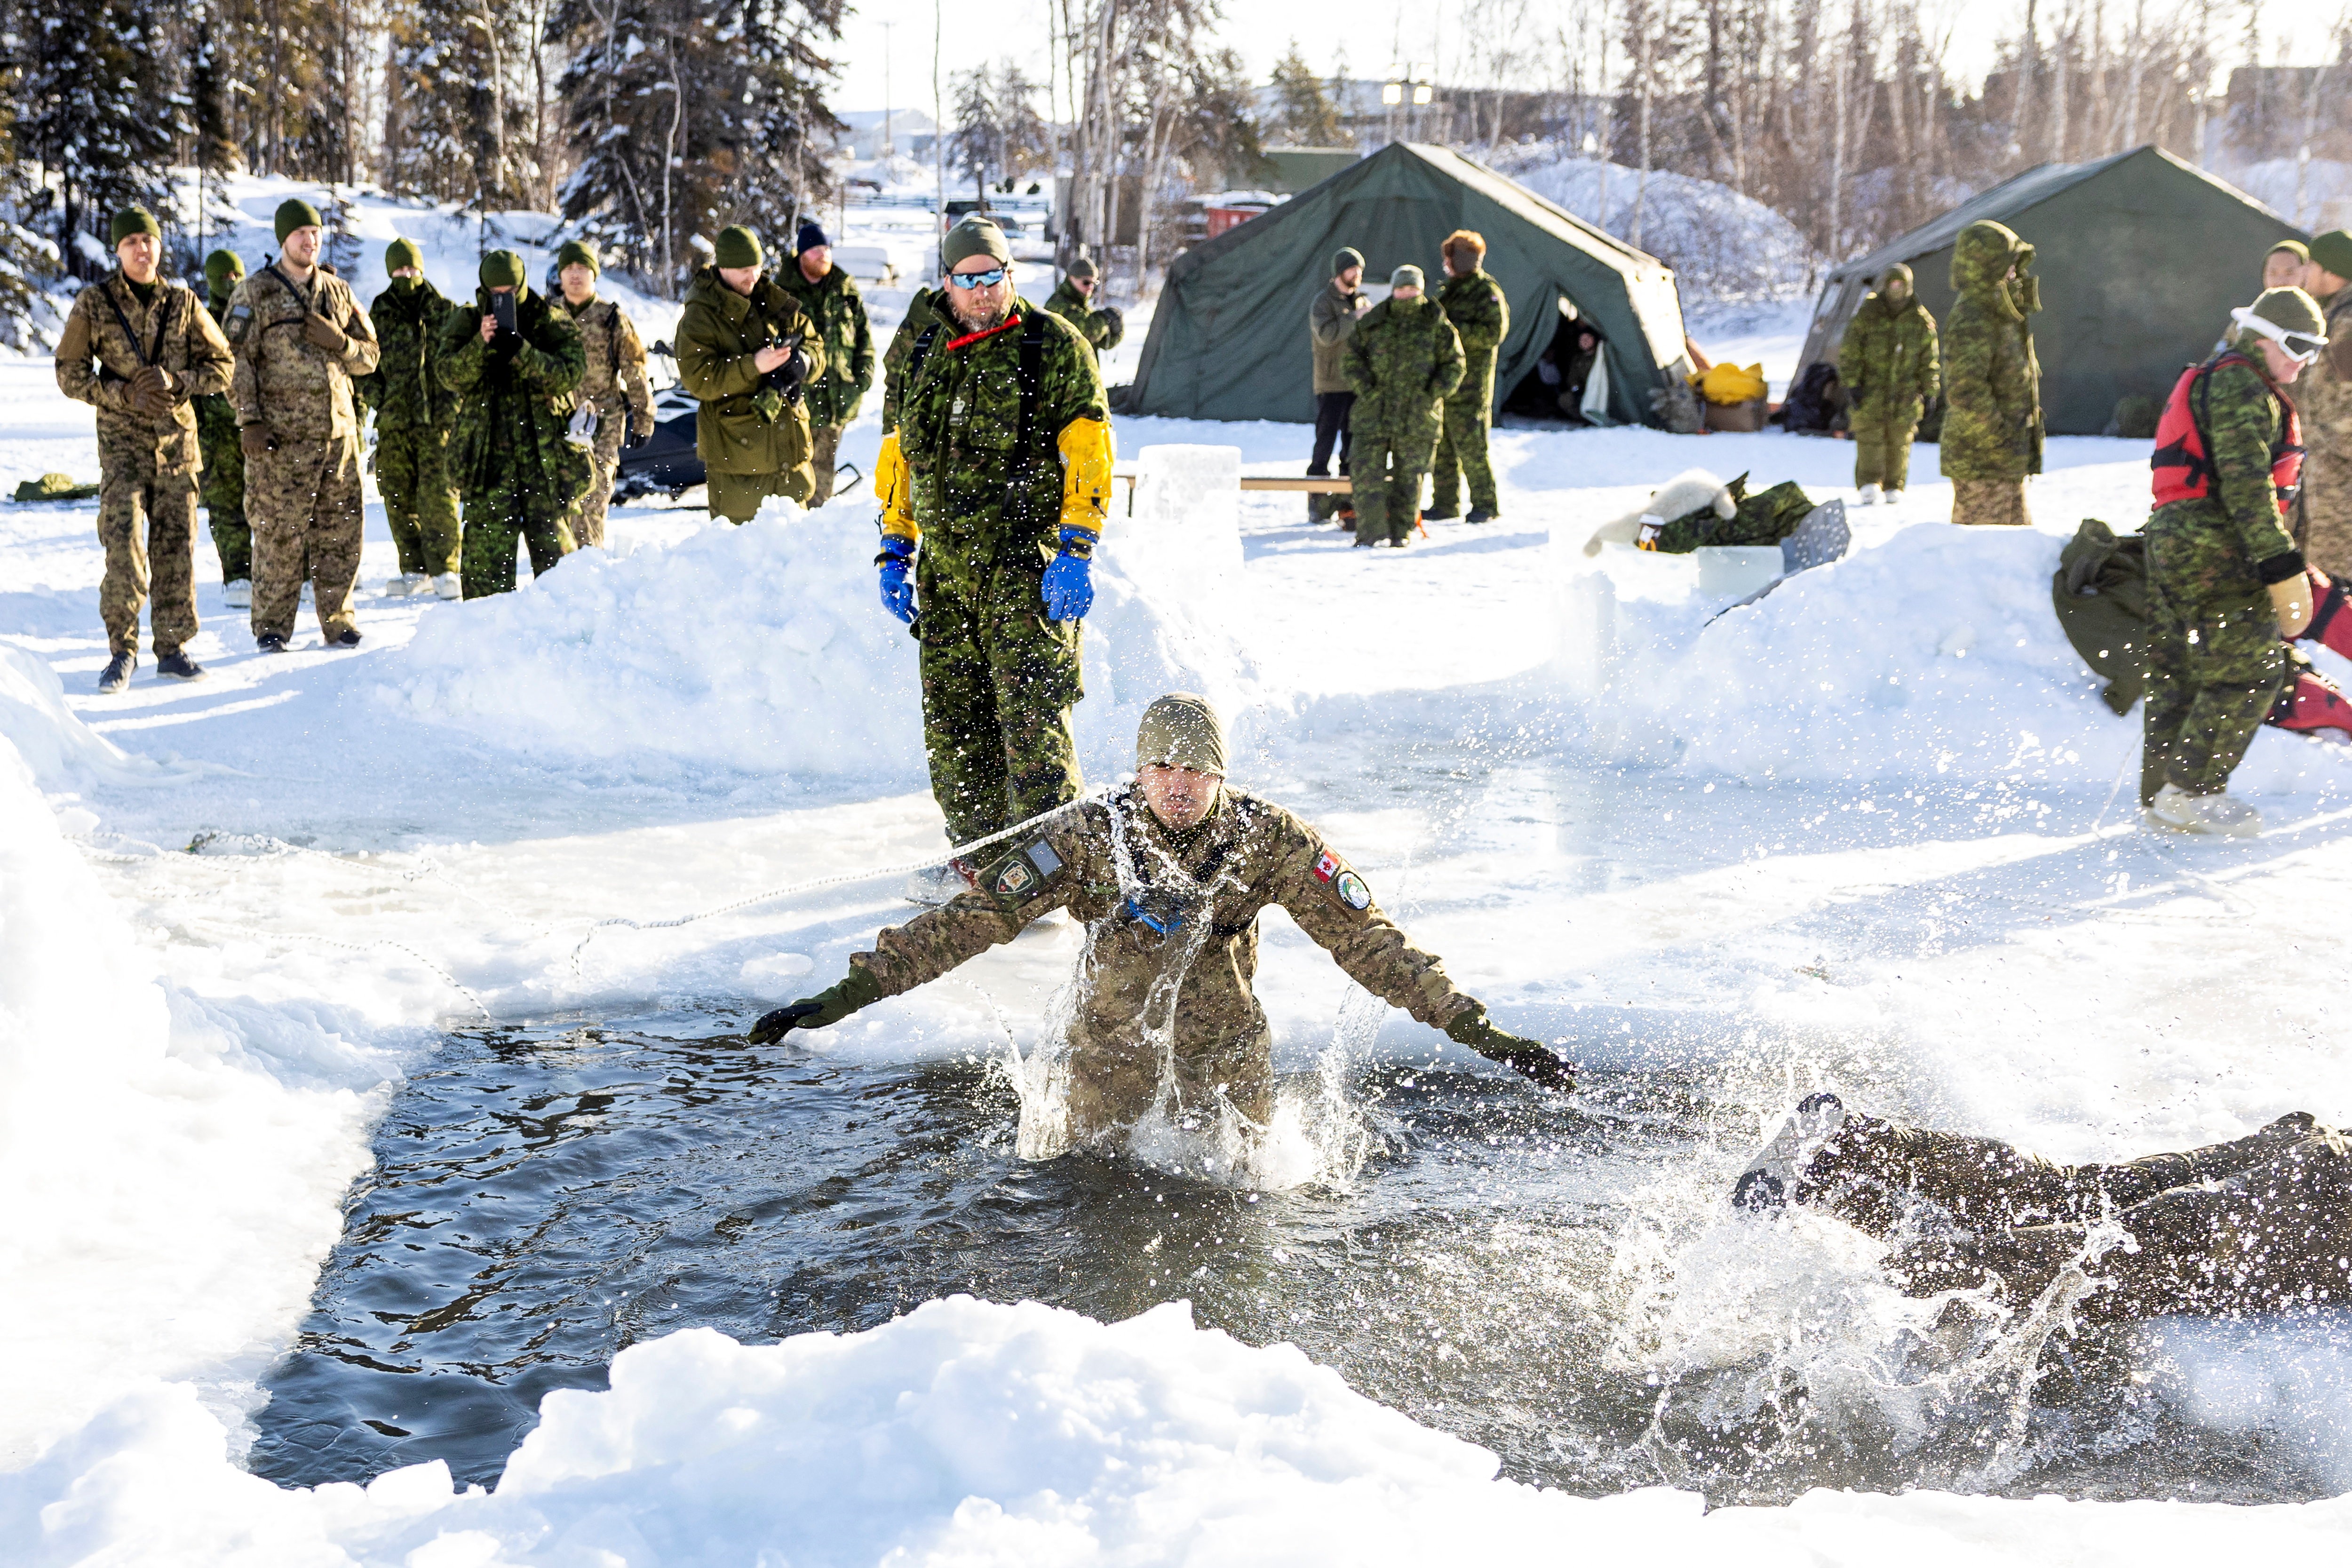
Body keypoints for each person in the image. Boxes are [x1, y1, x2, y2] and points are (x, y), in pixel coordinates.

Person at [745, 694, 1574, 1143]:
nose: (1178, 785)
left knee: (1251, 1210)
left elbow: (1372, 944)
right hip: (1108, 1062)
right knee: (1084, 1213)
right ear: (1138, 770)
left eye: (1196, 771)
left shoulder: (1269, 839)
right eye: (1162, 767)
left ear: (1221, 777)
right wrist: (840, 999)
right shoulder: (1085, 835)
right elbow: (966, 924)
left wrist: (1483, 1033)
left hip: (1225, 1061)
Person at [872, 216, 1113, 902]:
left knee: (1033, 734)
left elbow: (1088, 450)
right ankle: (981, 871)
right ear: (946, 283)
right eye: (967, 278)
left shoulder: (1051, 346)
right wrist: (895, 545)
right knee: (956, 732)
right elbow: (901, 456)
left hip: (1026, 572)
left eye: (993, 276)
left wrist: (1076, 546)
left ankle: (1051, 881)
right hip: (945, 576)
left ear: (1012, 275)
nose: (982, 290)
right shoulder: (921, 352)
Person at [1733, 1092, 2349, 1324]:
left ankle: (1844, 1148)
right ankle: (1860, 1300)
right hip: (2329, 1204)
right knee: (2124, 1254)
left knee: (2079, 1198)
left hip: (2324, 1156)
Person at [2140, 286, 2330, 836]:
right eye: (2296, 345)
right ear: (2263, 337)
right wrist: (2278, 563)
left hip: (2178, 539)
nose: (2304, 360)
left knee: (2178, 671)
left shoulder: (2224, 375)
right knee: (2251, 670)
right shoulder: (2240, 384)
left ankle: (2162, 794)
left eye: (2315, 349)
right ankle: (2191, 794)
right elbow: (2246, 487)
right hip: (2214, 546)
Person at [55, 206, 235, 691]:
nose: (142, 249)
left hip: (178, 449)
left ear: (159, 246)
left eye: (149, 240)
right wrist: (119, 394)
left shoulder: (185, 302)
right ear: (117, 250)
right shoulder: (93, 304)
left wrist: (179, 380)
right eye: (132, 241)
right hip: (123, 450)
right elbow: (68, 373)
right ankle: (122, 650)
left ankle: (173, 649)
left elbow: (224, 366)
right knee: (125, 550)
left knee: (176, 550)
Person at [221, 197, 381, 653]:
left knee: (342, 531)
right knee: (278, 534)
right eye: (300, 234)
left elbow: (371, 357)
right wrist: (249, 420)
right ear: (283, 240)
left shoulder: (338, 291)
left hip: (339, 435)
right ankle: (272, 626)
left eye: (315, 233)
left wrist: (343, 344)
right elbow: (235, 359)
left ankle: (339, 619)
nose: (309, 241)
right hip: (282, 440)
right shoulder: (254, 293)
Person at [436, 249, 590, 598]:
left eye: (510, 291)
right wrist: (481, 344)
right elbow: (448, 374)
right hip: (488, 464)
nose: (503, 298)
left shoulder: (550, 320)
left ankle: (562, 642)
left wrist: (522, 352)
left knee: (560, 575)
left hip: (545, 462)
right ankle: (489, 645)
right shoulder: (467, 321)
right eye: (496, 292)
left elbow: (571, 372)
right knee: (484, 581)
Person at [675, 225, 826, 525]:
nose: (753, 277)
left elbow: (815, 343)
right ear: (723, 267)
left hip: (790, 457)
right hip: (738, 466)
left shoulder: (772, 300)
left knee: (796, 556)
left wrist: (805, 361)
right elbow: (698, 379)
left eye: (757, 268)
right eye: (744, 270)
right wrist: (754, 366)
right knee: (741, 559)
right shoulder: (700, 315)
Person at [358, 237, 463, 598]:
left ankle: (446, 567)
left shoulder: (446, 311)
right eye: (401, 270)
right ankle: (414, 568)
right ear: (391, 271)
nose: (408, 275)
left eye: (413, 268)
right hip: (395, 423)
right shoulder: (379, 314)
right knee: (398, 497)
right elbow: (365, 364)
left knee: (439, 496)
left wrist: (454, 400)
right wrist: (381, 398)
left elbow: (462, 361)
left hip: (439, 421)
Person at [1343, 264, 1464, 549]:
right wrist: (1367, 390)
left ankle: (1401, 533)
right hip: (1375, 413)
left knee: (1410, 478)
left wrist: (1431, 394)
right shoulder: (1374, 321)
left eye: (1413, 289)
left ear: (1421, 290)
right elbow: (1351, 358)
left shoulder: (1437, 323)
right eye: (1402, 288)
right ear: (1394, 289)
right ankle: (1371, 532)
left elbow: (1455, 364)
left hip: (1418, 415)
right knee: (1365, 473)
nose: (1407, 294)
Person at [548, 239, 656, 547]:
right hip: (559, 421)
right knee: (560, 496)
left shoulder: (611, 318)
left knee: (594, 493)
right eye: (568, 268)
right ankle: (563, 565)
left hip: (603, 420)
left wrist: (644, 419)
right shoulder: (548, 317)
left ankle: (589, 562)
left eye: (582, 268)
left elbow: (635, 370)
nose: (575, 275)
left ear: (594, 273)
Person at [1939, 220, 2042, 528]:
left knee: (2014, 554)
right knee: (1983, 561)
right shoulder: (1974, 316)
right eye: (2008, 263)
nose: (2014, 271)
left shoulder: (2001, 311)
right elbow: (1966, 392)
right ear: (1987, 265)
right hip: (1983, 463)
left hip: (2003, 463)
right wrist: (2002, 439)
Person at [774, 221, 874, 507]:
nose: (824, 255)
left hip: (836, 399)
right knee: (793, 473)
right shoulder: (782, 292)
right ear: (802, 255)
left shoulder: (844, 288)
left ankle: (817, 526)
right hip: (796, 401)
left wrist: (862, 379)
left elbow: (864, 338)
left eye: (827, 248)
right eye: (816, 250)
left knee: (824, 473)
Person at [1836, 262, 1939, 505]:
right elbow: (1851, 351)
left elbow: (1929, 358)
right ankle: (1869, 484)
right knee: (1869, 436)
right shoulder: (1868, 314)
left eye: (1900, 284)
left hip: (1905, 392)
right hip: (1871, 389)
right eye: (1892, 284)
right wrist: (1851, 383)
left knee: (1900, 439)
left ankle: (1895, 485)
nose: (1896, 289)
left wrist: (1931, 388)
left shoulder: (1920, 319)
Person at [1430, 230, 1509, 524]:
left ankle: (1486, 505)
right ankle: (1445, 503)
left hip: (1472, 386)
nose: (1446, 264)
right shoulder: (1448, 291)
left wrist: (1454, 332)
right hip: (1446, 383)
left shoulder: (1486, 293)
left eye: (1450, 258)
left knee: (1473, 448)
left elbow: (1493, 333)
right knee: (1444, 450)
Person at [2294, 230, 2352, 581]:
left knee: (2337, 576)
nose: (2305, 274)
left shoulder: (2346, 324)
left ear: (2331, 273)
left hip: (2340, 480)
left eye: (2311, 265)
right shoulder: (2335, 315)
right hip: (2327, 470)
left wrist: (2322, 441)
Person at [195, 248, 252, 609]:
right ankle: (239, 575)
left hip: (260, 424)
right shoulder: (198, 321)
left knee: (279, 503)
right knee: (225, 505)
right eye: (223, 278)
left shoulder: (258, 312)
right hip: (215, 432)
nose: (230, 283)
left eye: (236, 276)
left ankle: (297, 575)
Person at [1306, 247, 1368, 525]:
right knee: (1325, 442)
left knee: (1351, 446)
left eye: (1360, 271)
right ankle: (1318, 502)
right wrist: (1355, 318)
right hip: (1331, 384)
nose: (1357, 275)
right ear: (1339, 272)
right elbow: (1328, 335)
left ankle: (1347, 504)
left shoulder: (1361, 300)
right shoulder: (1323, 303)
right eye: (1352, 269)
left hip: (1356, 383)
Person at [1043, 254, 1124, 360]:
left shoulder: (1083, 306)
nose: (1090, 287)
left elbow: (1103, 343)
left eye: (1094, 283)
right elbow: (1089, 331)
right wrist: (1105, 320)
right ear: (1071, 278)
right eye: (1086, 282)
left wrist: (1116, 331)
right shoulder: (1058, 304)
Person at [1538, 325, 1602, 422]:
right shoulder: (1578, 359)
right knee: (1565, 400)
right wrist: (1576, 388)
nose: (1584, 342)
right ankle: (1584, 419)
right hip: (1583, 391)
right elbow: (1573, 378)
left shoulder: (1600, 358)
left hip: (1598, 391)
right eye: (1582, 339)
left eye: (1588, 338)